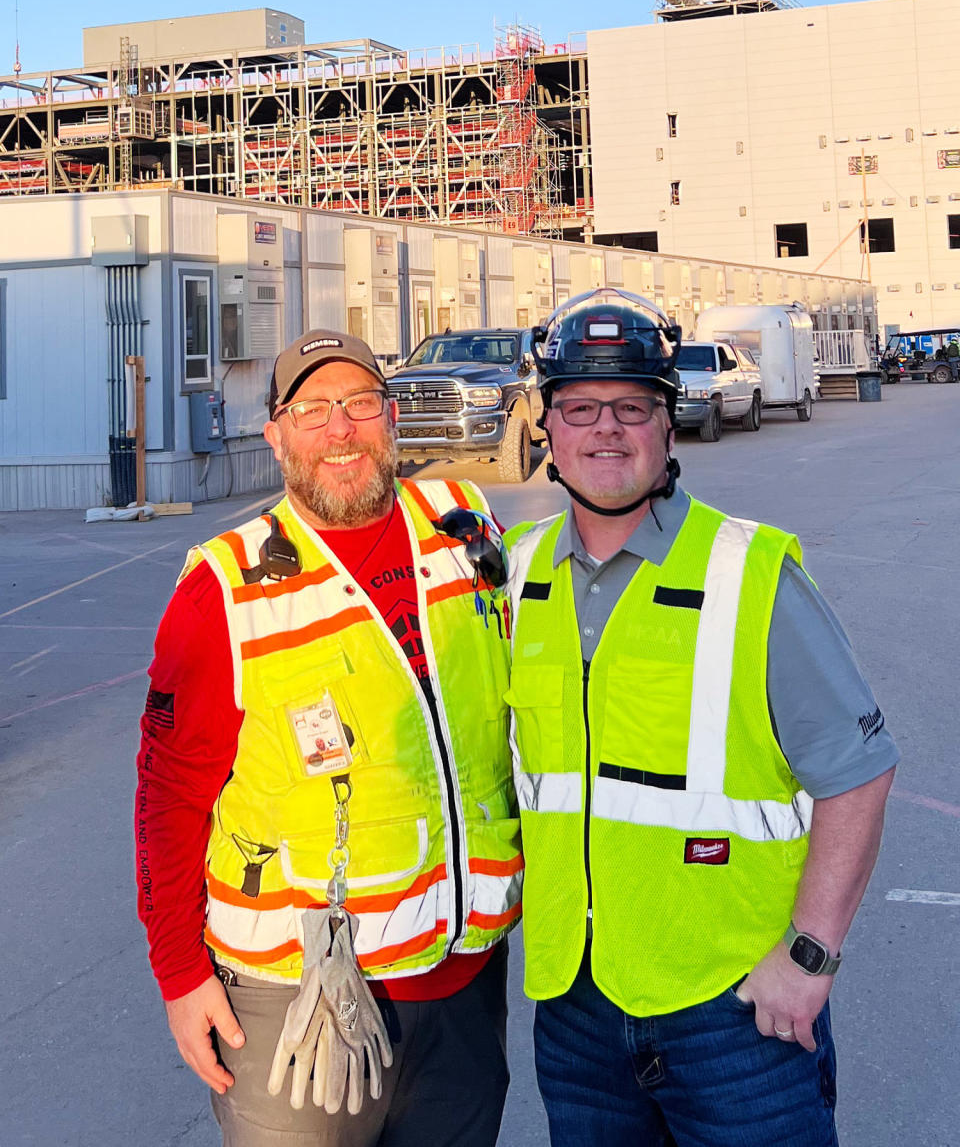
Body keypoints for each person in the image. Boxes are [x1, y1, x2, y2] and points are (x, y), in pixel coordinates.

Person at [503, 291, 899, 1147]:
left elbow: (859, 772)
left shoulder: (751, 572)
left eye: (633, 408)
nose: (606, 429)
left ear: (668, 426)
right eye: (579, 407)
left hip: (735, 1015)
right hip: (576, 1010)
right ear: (548, 428)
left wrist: (809, 958)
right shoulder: (517, 572)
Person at [135, 328, 521, 1147]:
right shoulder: (227, 587)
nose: (338, 429)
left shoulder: (463, 528)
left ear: (391, 416)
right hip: (296, 1000)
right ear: (275, 434)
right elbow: (169, 797)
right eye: (311, 409)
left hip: (463, 985)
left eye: (356, 404)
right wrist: (179, 971)